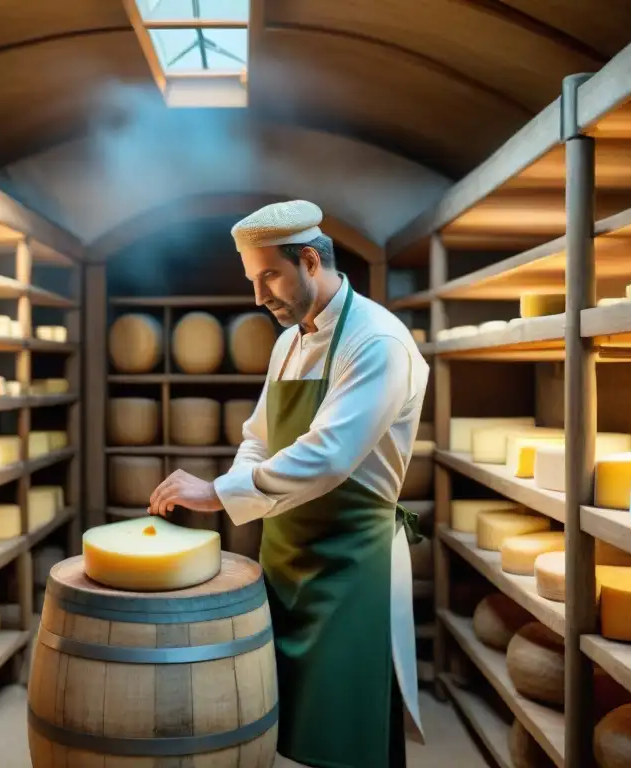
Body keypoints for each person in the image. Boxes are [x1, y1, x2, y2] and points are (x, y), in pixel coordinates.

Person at [148, 199, 429, 768]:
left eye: (269, 276)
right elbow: (259, 436)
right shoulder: (288, 342)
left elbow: (328, 456)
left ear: (309, 260)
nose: (258, 296)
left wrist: (216, 494)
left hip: (350, 567)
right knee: (289, 729)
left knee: (349, 731)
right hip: (286, 556)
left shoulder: (377, 342)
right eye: (252, 280)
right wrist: (230, 481)